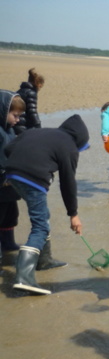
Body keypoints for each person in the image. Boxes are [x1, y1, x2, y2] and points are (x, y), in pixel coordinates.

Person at [4, 114, 90, 295]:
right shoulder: (69, 147)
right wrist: (73, 214)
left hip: (11, 175)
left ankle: (44, 260)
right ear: (79, 140)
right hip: (32, 179)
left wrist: (17, 166)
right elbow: (68, 182)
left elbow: (9, 147)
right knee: (40, 226)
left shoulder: (39, 131)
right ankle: (24, 278)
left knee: (42, 216)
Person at [0, 91, 26, 261]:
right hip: (2, 182)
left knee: (10, 215)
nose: (17, 119)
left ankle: (8, 243)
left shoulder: (10, 130)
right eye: (15, 115)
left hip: (11, 183)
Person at [14, 68, 44, 136]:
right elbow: (32, 111)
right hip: (23, 124)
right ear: (38, 84)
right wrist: (38, 125)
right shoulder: (31, 93)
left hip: (15, 122)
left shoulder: (20, 91)